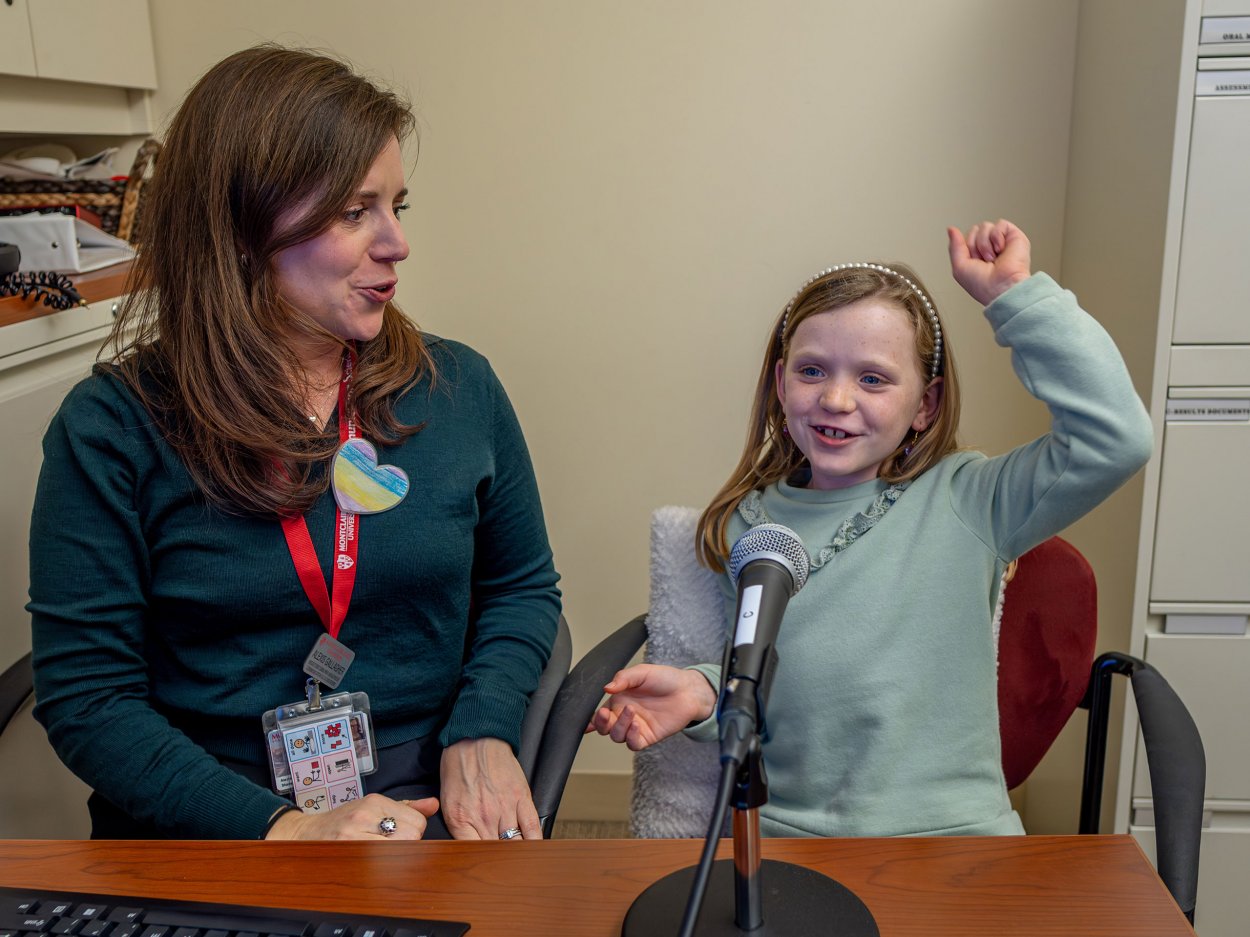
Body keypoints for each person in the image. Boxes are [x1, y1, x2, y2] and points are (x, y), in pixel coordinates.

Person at [28, 45, 561, 842]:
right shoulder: (112, 428)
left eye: (396, 207)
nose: (396, 244)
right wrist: (288, 833)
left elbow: (521, 587)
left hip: (421, 802)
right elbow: (88, 699)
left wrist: (481, 729)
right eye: (355, 212)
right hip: (209, 820)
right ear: (241, 230)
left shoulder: (459, 389)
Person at [589, 220, 1153, 837]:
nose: (835, 399)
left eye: (873, 378)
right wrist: (702, 691)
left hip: (956, 839)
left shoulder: (971, 499)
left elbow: (1115, 439)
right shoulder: (747, 524)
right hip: (786, 840)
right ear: (781, 385)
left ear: (926, 405)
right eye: (811, 371)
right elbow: (761, 673)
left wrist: (1016, 296)